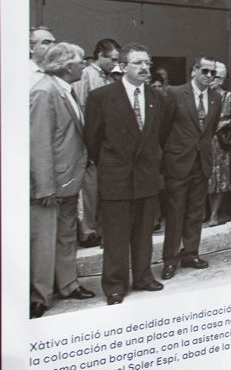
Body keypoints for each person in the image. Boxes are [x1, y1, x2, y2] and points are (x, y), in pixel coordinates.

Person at [84, 43, 167, 305]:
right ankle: (115, 285)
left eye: (147, 63)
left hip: (146, 177)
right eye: (138, 63)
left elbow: (159, 138)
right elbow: (93, 140)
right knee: (117, 235)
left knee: (144, 232)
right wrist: (112, 164)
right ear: (123, 66)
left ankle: (143, 276)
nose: (144, 67)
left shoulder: (157, 98)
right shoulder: (102, 97)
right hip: (116, 176)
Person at [29, 42, 94, 318]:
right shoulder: (44, 92)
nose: (83, 65)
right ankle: (39, 296)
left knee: (66, 236)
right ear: (68, 66)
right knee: (44, 241)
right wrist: (43, 185)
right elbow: (38, 141)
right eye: (80, 61)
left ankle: (67, 284)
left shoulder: (65, 90)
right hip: (50, 185)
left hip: (68, 180)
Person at [160, 55, 222, 280]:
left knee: (196, 213)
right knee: (175, 213)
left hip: (201, 163)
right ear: (194, 70)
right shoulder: (175, 94)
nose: (208, 76)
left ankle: (191, 253)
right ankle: (170, 259)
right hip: (178, 163)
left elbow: (210, 129)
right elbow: (163, 128)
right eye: (204, 71)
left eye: (212, 73)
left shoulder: (215, 98)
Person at [73, 38, 121, 248]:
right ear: (99, 55)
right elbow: (83, 111)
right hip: (90, 143)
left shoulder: (109, 77)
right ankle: (88, 231)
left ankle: (99, 229)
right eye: (112, 59)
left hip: (106, 143)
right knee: (89, 192)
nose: (115, 64)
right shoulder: (86, 75)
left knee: (102, 190)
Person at [205, 62, 231, 227]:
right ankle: (210, 214)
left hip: (222, 145)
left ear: (222, 79)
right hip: (206, 145)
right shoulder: (204, 96)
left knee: (220, 180)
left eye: (216, 75)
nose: (211, 78)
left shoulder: (229, 97)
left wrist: (221, 123)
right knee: (208, 179)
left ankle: (215, 215)